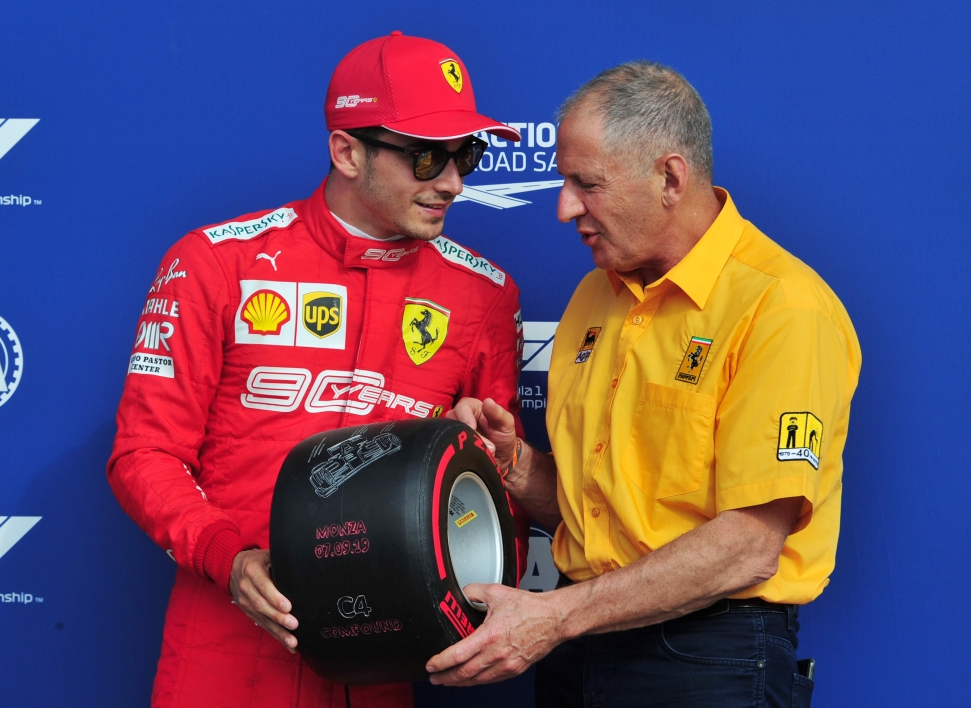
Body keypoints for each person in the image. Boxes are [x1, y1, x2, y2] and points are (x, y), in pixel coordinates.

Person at [107, 32, 529, 708]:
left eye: (465, 156)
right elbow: (143, 455)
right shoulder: (217, 262)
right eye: (426, 157)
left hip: (385, 662)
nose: (452, 182)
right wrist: (230, 557)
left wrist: (480, 461)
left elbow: (493, 502)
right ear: (346, 151)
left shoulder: (484, 294)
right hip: (223, 647)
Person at [428, 61, 862, 708]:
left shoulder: (782, 308)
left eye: (587, 184)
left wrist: (554, 617)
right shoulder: (591, 298)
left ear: (670, 177)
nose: (563, 207)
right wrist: (514, 465)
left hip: (707, 657)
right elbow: (599, 518)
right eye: (563, 181)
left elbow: (748, 546)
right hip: (579, 648)